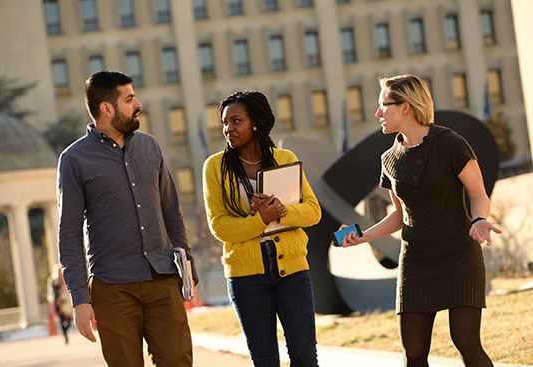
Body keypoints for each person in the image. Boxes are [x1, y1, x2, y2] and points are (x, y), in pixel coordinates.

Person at [338, 74, 502, 367]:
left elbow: (478, 193)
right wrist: (364, 237)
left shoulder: (451, 143)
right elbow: (400, 214)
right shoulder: (388, 159)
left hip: (458, 255)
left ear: (406, 107)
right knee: (413, 354)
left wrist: (479, 220)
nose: (377, 114)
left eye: (383, 105)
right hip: (415, 262)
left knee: (466, 342)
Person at [57, 71, 197, 367]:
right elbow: (68, 233)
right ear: (107, 108)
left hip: (161, 279)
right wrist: (80, 299)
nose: (139, 104)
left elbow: (171, 211)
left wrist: (187, 265)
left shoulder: (150, 146)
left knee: (178, 362)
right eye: (129, 98)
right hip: (112, 287)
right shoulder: (74, 159)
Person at [202, 90, 322, 367]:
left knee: (305, 358)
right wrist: (260, 220)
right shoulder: (215, 167)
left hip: (292, 270)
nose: (228, 129)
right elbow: (219, 225)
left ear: (255, 122)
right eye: (225, 123)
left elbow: (313, 211)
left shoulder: (284, 157)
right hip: (246, 276)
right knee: (265, 360)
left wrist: (282, 211)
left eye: (236, 121)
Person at [47, 263, 73, 344]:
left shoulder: (65, 278)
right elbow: (53, 292)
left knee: (69, 319)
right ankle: (65, 336)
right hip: (58, 302)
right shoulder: (53, 281)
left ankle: (66, 330)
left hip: (66, 302)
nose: (59, 272)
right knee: (61, 319)